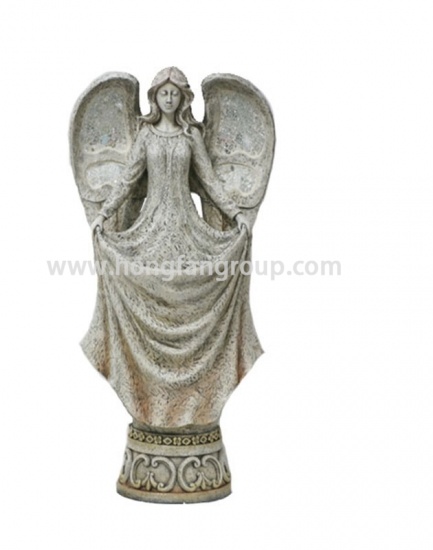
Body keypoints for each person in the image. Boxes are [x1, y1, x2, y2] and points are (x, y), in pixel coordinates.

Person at [81, 67, 262, 428]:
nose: (168, 98)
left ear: (182, 98)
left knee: (189, 298)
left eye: (174, 93)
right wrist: (103, 213)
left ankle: (194, 397)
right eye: (163, 92)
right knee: (149, 293)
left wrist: (235, 214)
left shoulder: (191, 136)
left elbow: (209, 180)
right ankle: (150, 395)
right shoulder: (146, 135)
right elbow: (128, 179)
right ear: (154, 97)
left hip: (186, 227)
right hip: (151, 227)